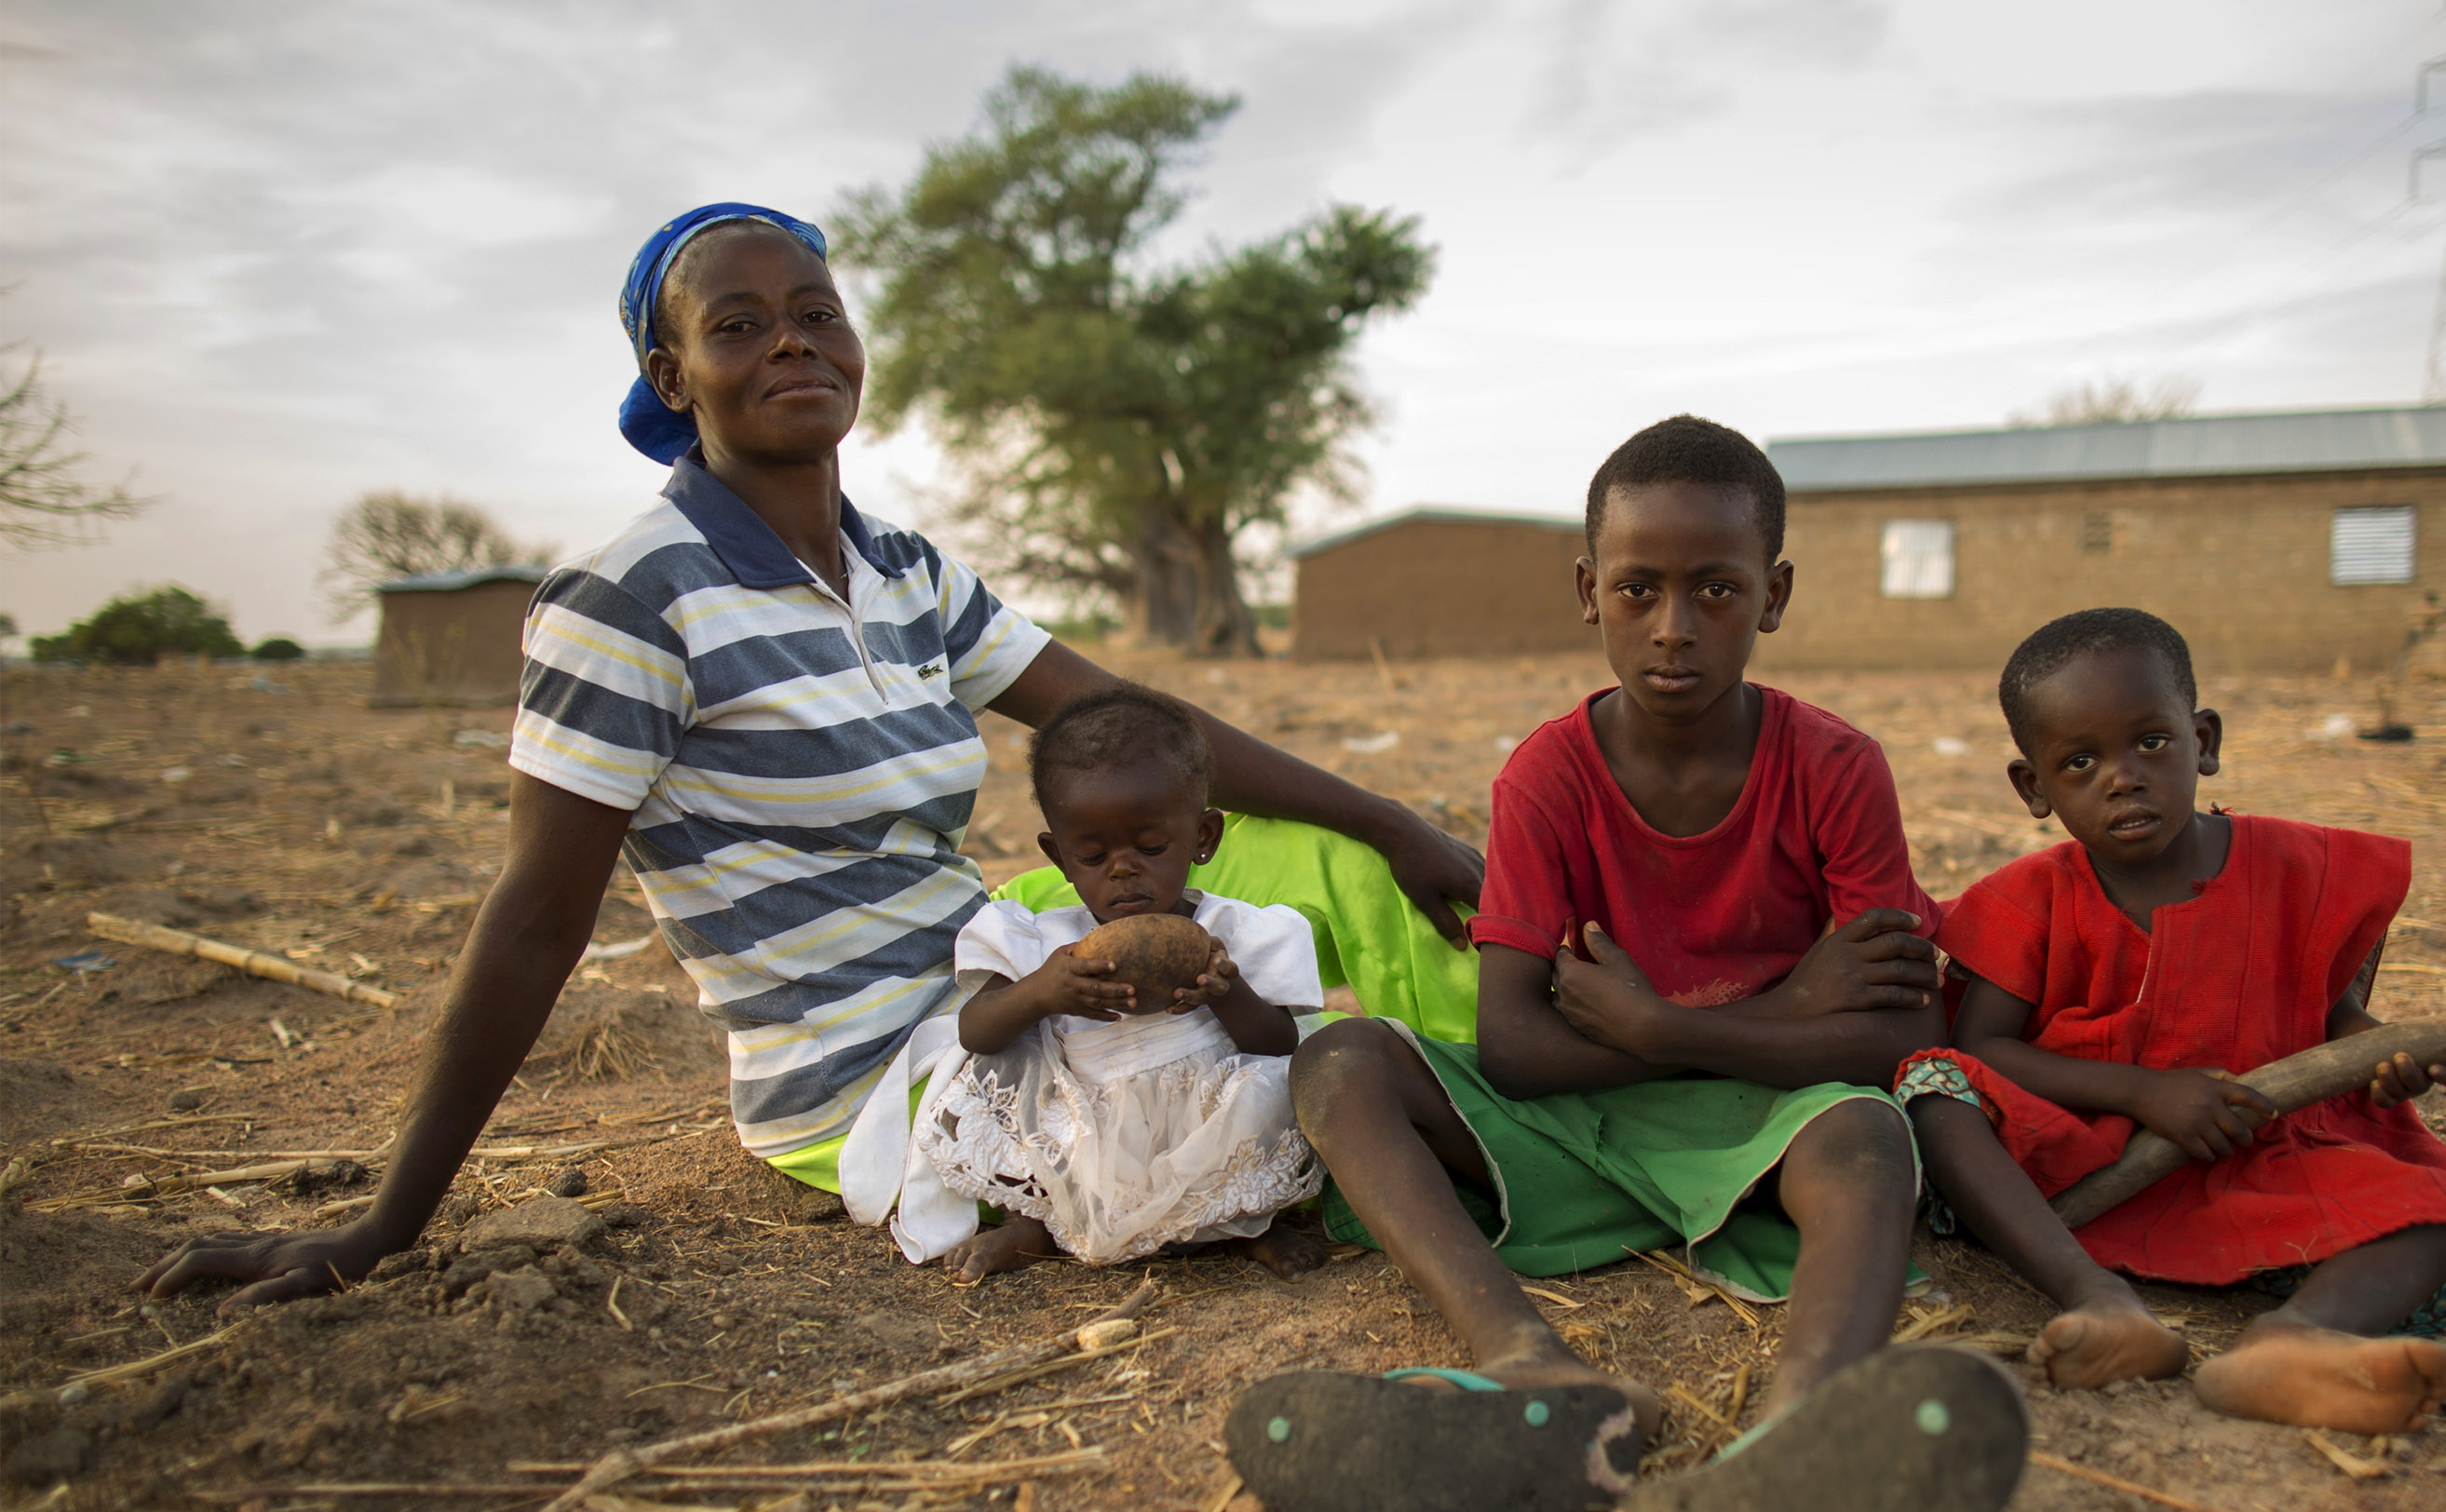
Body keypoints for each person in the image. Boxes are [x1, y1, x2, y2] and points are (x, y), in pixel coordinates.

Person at [131, 201, 1477, 1309]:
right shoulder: (628, 599)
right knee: (1232, 1123)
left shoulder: (897, 568)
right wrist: (385, 1221)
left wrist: (1397, 822)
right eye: (737, 325)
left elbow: (1133, 728)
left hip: (984, 953)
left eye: (816, 313)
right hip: (872, 1065)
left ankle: (1531, 1075)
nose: (791, 341)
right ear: (673, 380)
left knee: (1309, 852)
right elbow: (537, 919)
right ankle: (1486, 1161)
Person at [1226, 416, 2033, 1512]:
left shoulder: (1833, 766)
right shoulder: (1545, 775)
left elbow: (1887, 1040)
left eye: (1714, 589)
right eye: (1637, 587)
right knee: (1343, 1059)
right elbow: (1511, 1046)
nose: (1672, 624)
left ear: (1773, 594)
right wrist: (1774, 1007)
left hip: (1764, 1119)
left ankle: (1791, 1439)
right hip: (1581, 1109)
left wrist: (1666, 1029)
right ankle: (1524, 1362)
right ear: (1584, 590)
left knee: (1868, 1133)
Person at [1928, 607, 2446, 1455]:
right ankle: (2099, 1301)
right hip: (2082, 1159)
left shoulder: (2300, 870)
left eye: (2150, 743)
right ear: (2032, 787)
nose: (2122, 778)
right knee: (1932, 1090)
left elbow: (2330, 1018)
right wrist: (2143, 1091)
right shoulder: (2025, 900)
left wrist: (2377, 1057)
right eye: (2080, 761)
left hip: (2263, 1150)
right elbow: (1981, 1049)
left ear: (2204, 739)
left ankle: (2295, 1339)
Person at [917, 683, 1326, 1279]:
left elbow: (1277, 1044)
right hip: (1089, 1120)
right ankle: (1032, 1230)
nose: (1123, 870)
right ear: (1058, 857)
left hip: (1203, 1116)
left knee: (1279, 1088)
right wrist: (1040, 991)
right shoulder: (1036, 941)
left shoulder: (1238, 932)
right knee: (1001, 1077)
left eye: (1152, 846)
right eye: (1091, 856)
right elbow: (975, 1033)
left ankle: (1248, 1225)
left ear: (1204, 838)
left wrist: (1228, 992)